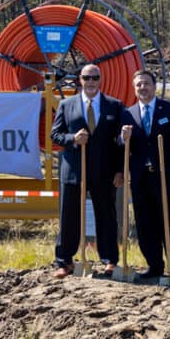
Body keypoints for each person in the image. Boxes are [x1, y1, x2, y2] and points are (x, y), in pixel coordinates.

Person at [50, 64, 125, 278]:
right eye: (87, 78)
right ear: (80, 80)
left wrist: (119, 170)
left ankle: (110, 259)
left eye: (95, 78)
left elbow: (120, 142)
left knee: (107, 216)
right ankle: (64, 261)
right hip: (74, 171)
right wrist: (72, 139)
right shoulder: (66, 105)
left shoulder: (114, 105)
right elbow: (55, 135)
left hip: (104, 172)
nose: (91, 81)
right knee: (69, 216)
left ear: (100, 80)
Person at [120, 70, 170, 280]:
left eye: (146, 84)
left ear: (154, 86)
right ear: (134, 88)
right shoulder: (128, 113)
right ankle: (154, 265)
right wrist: (123, 138)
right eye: (139, 85)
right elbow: (120, 144)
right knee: (145, 222)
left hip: (165, 176)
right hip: (141, 177)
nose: (143, 88)